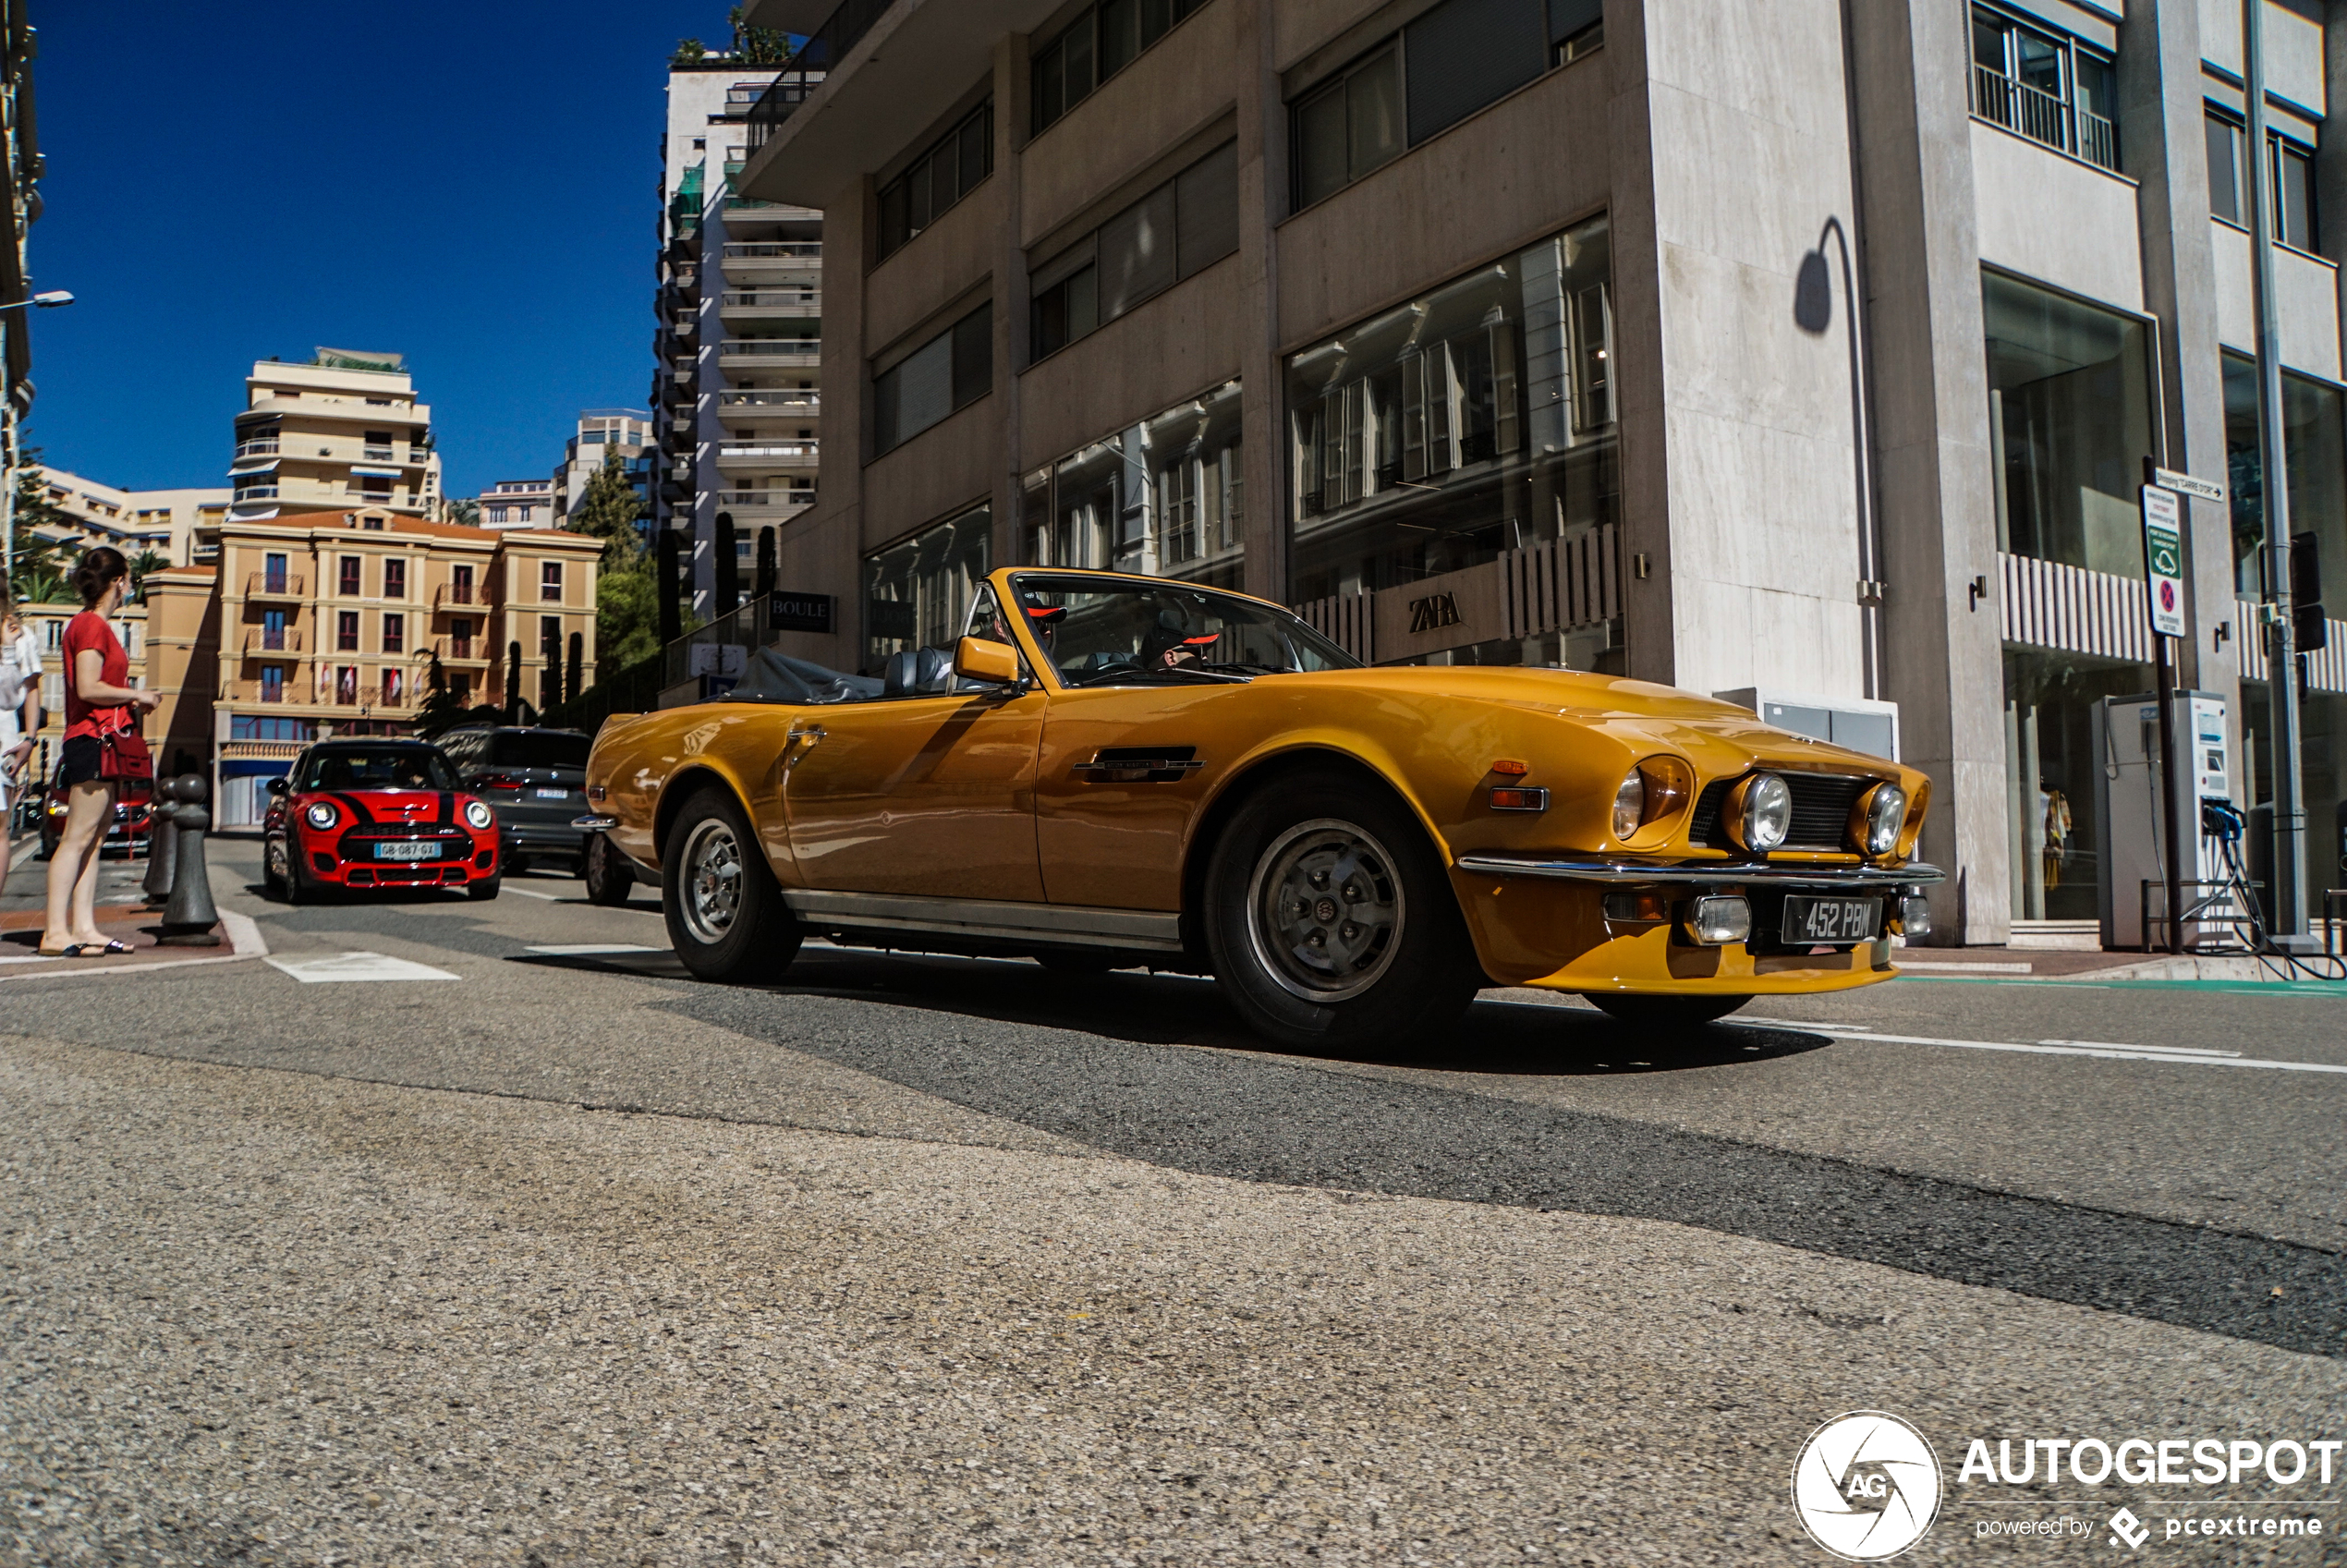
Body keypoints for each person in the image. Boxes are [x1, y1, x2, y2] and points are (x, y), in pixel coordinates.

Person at [40, 548, 159, 957]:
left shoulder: (90, 625)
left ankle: (85, 927)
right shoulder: (90, 626)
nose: (130, 588)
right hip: (92, 739)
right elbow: (88, 688)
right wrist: (135, 693)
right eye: (129, 581)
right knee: (76, 838)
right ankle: (56, 931)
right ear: (119, 582)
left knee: (92, 838)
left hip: (99, 739)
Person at [0, 588, 40, 886]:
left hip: (4, 744)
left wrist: (30, 738)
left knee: (0, 831)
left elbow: (12, 697)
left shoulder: (19, 636)